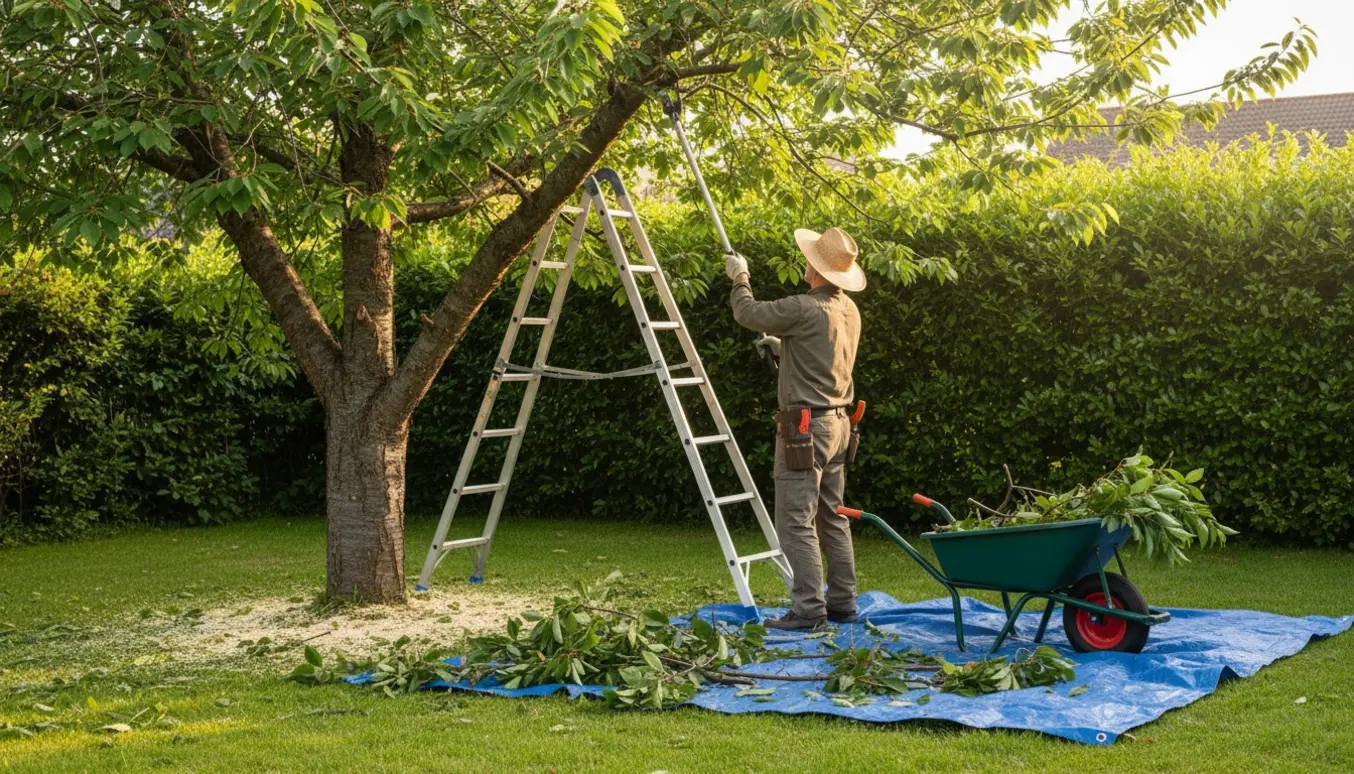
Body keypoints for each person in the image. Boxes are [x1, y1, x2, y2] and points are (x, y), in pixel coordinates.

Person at [725, 227, 865, 631]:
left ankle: (808, 610)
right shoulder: (849, 310)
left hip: (806, 429)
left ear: (816, 269)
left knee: (796, 519)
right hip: (839, 425)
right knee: (833, 516)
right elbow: (823, 357)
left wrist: (740, 277)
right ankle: (843, 604)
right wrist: (783, 348)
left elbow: (747, 313)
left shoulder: (803, 307)